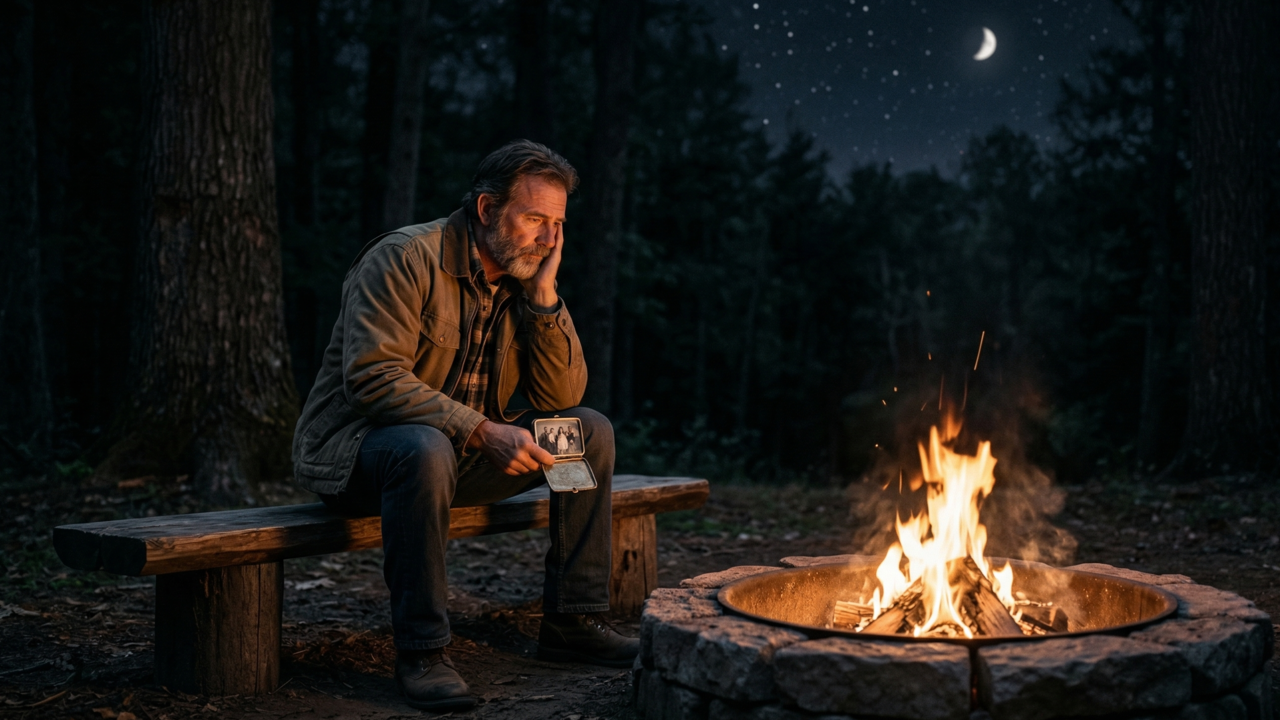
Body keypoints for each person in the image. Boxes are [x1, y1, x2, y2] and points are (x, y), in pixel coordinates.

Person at [291, 140, 636, 712]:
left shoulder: (525, 281)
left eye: (557, 224)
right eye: (534, 220)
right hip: (361, 456)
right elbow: (373, 379)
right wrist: (482, 431)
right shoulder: (404, 258)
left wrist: (545, 298)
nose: (549, 239)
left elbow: (561, 395)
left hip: (456, 459)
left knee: (587, 431)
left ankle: (574, 621)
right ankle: (423, 650)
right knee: (425, 448)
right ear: (485, 210)